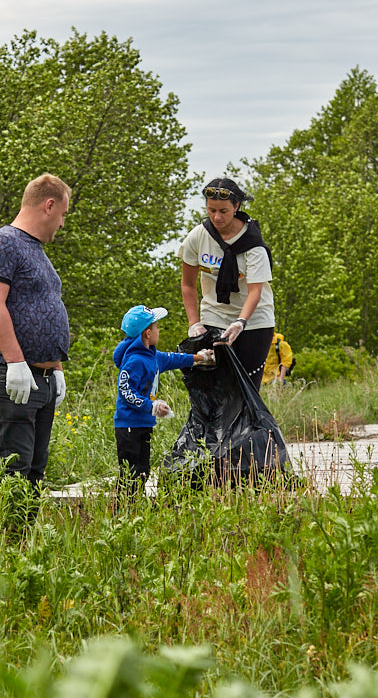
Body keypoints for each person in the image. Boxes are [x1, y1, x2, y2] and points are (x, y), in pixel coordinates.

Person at [0, 173, 71, 493]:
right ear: (49, 205)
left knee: (34, 473)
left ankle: (25, 542)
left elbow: (45, 308)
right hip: (11, 374)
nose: (61, 224)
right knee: (16, 472)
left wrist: (56, 367)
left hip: (40, 378)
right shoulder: (4, 241)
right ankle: (10, 541)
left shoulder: (37, 251)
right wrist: (15, 362)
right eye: (62, 215)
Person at [179, 177, 275, 390]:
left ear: (236, 207)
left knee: (246, 388)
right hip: (215, 315)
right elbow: (187, 284)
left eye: (223, 211)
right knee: (215, 387)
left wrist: (241, 322)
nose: (216, 217)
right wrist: (194, 323)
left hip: (254, 320)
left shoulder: (254, 245)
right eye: (211, 210)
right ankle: (215, 426)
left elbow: (255, 291)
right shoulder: (198, 237)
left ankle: (251, 425)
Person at [113, 305, 213, 498]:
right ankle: (123, 510)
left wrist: (199, 358)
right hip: (129, 427)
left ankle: (134, 509)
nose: (159, 330)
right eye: (157, 327)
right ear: (148, 333)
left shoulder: (152, 355)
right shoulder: (134, 361)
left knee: (142, 470)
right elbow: (126, 391)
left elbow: (173, 359)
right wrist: (152, 405)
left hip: (143, 424)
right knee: (131, 473)